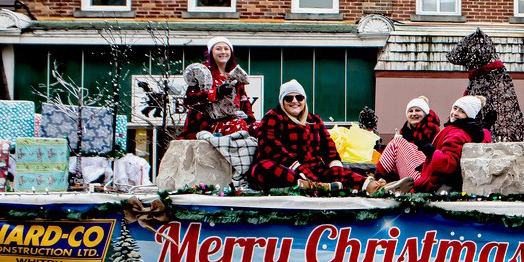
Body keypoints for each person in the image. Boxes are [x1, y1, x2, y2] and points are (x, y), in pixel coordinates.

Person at [248, 80, 386, 194]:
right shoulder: (272, 117)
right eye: (289, 98)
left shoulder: (314, 120)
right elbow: (270, 146)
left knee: (338, 172)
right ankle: (316, 186)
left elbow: (329, 146)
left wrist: (335, 164)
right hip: (286, 167)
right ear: (282, 101)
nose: (294, 101)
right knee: (263, 168)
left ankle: (374, 186)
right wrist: (297, 168)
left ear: (304, 100)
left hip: (313, 169)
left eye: (299, 97)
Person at [402, 95, 493, 194]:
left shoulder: (457, 134)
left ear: (469, 115)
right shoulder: (454, 129)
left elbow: (449, 163)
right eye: (455, 108)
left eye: (462, 111)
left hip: (434, 186)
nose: (455, 113)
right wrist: (426, 164)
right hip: (432, 181)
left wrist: (431, 152)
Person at [180, 37, 254, 139]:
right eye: (218, 49)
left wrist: (250, 120)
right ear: (211, 52)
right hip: (206, 125)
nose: (223, 52)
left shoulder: (235, 75)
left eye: (226, 49)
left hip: (233, 121)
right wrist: (215, 93)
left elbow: (243, 101)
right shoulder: (202, 73)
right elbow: (189, 100)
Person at [376, 96, 441, 181]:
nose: (413, 114)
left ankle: (377, 179)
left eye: (418, 110)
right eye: (410, 111)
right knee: (397, 143)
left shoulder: (432, 131)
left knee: (397, 142)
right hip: (410, 173)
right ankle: (383, 181)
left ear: (425, 113)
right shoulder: (405, 132)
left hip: (423, 174)